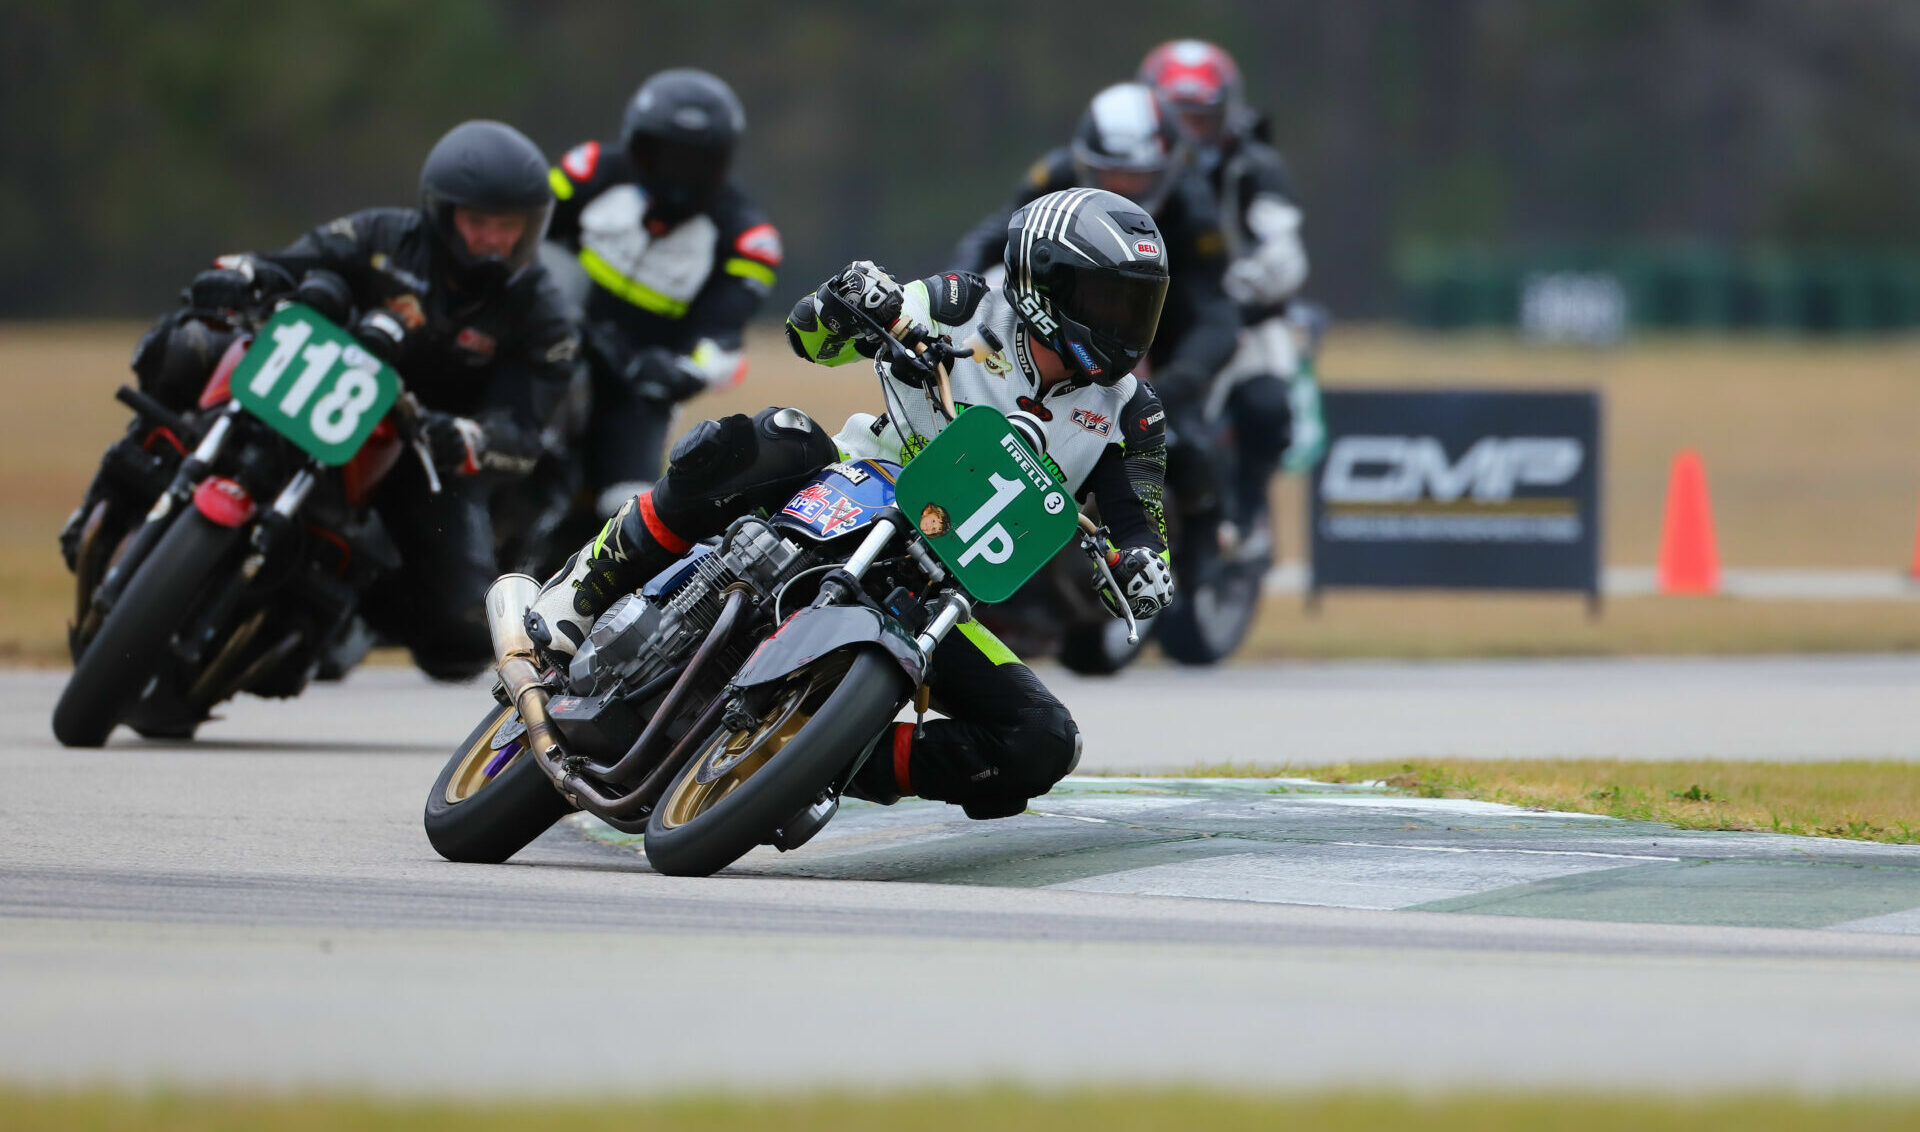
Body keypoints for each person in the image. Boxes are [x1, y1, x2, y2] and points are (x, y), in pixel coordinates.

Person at [525, 189, 1175, 820]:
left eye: (1139, 305)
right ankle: (583, 589)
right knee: (764, 439)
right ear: (1046, 285)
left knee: (1044, 740)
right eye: (1109, 300)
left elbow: (1138, 519)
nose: (1125, 325)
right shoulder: (962, 306)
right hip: (856, 479)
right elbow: (810, 338)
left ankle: (825, 759)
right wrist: (848, 301)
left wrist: (1142, 566)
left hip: (938, 595)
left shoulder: (1133, 411)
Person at [63, 119, 580, 680]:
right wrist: (240, 274)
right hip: (311, 386)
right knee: (188, 343)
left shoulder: (543, 315)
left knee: (461, 628)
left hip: (417, 452)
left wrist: (468, 437)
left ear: (532, 228)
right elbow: (287, 264)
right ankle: (111, 497)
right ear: (442, 213)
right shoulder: (380, 235)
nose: (492, 239)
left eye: (508, 226)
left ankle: (333, 623)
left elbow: (524, 434)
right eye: (478, 221)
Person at [544, 68, 783, 518]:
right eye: (663, 156)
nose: (679, 176)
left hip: (638, 386)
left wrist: (678, 374)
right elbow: (522, 234)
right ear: (635, 144)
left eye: (696, 163)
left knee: (626, 513)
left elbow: (724, 343)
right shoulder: (591, 169)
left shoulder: (747, 236)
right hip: (548, 344)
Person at [952, 81, 1240, 422]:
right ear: (1085, 165)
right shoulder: (1055, 178)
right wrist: (958, 299)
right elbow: (991, 242)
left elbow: (1214, 311)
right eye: (1110, 174)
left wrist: (1178, 381)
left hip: (1160, 343)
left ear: (1167, 170)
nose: (1122, 189)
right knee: (1000, 276)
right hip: (1061, 329)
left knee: (1206, 441)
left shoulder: (1193, 207)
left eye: (1137, 178)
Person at [1140, 39, 1325, 528]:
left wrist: (1233, 287)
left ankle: (1245, 512)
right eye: (1176, 118)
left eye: (1200, 119)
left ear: (1224, 117)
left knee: (1266, 406)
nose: (1188, 134)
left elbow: (1285, 254)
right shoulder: (1134, 167)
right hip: (1149, 314)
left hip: (1237, 314)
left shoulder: (1255, 166)